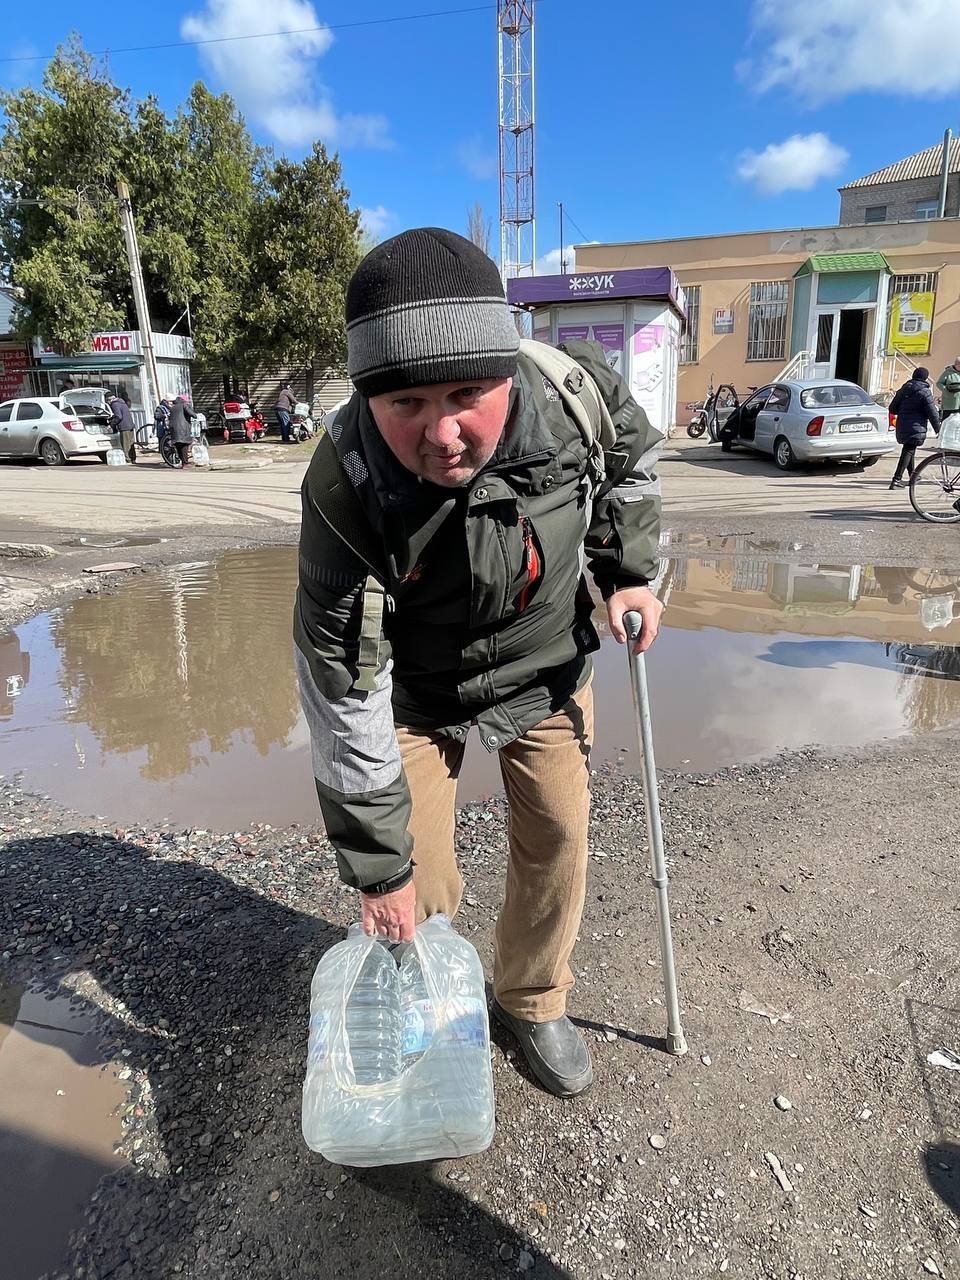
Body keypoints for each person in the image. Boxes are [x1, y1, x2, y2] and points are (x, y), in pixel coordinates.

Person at [294, 228, 664, 1097]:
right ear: (367, 398)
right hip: (413, 692)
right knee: (414, 881)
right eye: (407, 405)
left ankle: (532, 999)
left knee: (558, 835)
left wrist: (631, 574)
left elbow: (631, 468)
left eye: (468, 393)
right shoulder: (346, 479)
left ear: (507, 371)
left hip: (546, 667)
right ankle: (426, 997)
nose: (444, 432)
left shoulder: (572, 396)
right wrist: (378, 869)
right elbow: (342, 680)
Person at [888, 367, 940, 489]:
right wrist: (939, 429)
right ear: (925, 377)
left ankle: (913, 476)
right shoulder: (925, 391)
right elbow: (932, 412)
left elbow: (892, 408)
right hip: (916, 425)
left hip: (902, 424)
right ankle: (896, 480)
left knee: (909, 449)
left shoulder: (904, 389)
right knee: (908, 450)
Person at [167, 394, 197, 468]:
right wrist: (194, 415)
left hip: (173, 429)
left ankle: (183, 463)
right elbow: (192, 414)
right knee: (184, 446)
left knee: (178, 446)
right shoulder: (184, 405)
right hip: (182, 429)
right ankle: (185, 463)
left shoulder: (172, 408)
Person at [107, 394, 136, 464]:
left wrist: (112, 424)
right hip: (130, 425)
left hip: (124, 426)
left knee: (125, 445)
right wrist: (111, 418)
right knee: (131, 444)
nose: (108, 403)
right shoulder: (122, 402)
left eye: (107, 401)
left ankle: (127, 459)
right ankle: (133, 459)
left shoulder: (115, 404)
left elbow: (119, 416)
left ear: (109, 400)